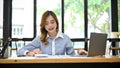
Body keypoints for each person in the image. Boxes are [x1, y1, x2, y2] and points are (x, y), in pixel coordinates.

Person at [17, 10, 87, 56]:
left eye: (52, 22)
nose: (50, 25)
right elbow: (20, 51)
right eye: (46, 23)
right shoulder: (40, 39)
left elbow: (72, 56)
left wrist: (79, 53)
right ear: (44, 26)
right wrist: (29, 53)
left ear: (56, 22)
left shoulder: (65, 38)